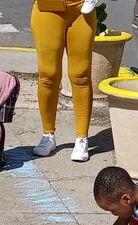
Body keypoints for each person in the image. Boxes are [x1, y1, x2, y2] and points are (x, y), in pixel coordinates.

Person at [31, 0, 96, 162]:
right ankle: (48, 134)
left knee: (81, 75)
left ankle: (82, 138)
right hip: (47, 8)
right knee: (47, 75)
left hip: (81, 9)